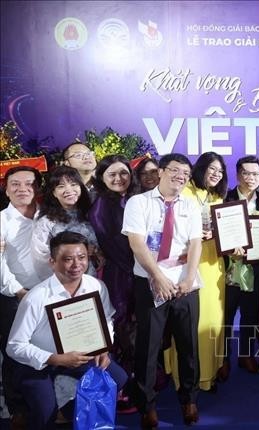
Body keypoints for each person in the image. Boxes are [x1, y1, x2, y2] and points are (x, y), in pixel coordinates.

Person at [6, 231, 127, 429]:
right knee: (45, 411)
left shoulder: (96, 286)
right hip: (39, 361)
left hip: (80, 354)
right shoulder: (36, 297)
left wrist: (103, 348)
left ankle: (66, 413)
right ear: (52, 262)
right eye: (67, 259)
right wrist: (55, 358)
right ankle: (45, 413)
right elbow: (14, 346)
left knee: (117, 378)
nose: (76, 264)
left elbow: (106, 320)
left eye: (82, 257)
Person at [122, 153, 203, 426]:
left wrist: (189, 278)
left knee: (188, 344)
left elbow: (195, 244)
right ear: (161, 172)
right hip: (149, 280)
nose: (181, 176)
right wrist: (157, 276)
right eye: (175, 171)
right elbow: (136, 243)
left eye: (186, 173)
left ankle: (189, 398)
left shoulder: (191, 205)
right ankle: (147, 404)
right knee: (149, 345)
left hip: (185, 281)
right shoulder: (138, 202)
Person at [163, 152, 228, 392]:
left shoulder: (217, 195)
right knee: (188, 323)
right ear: (199, 168)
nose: (215, 174)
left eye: (220, 171)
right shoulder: (183, 191)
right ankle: (185, 378)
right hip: (188, 265)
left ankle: (208, 375)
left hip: (213, 265)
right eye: (212, 168)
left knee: (212, 320)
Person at [88, 155, 138, 410]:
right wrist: (143, 268)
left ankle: (132, 380)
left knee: (134, 329)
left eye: (124, 173)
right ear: (102, 178)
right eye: (112, 175)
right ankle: (118, 388)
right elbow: (114, 245)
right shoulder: (101, 206)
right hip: (120, 276)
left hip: (136, 273)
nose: (119, 179)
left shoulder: (133, 199)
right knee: (119, 329)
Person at [221, 156, 259, 377]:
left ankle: (246, 355)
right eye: (246, 173)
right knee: (226, 315)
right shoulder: (224, 197)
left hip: (256, 268)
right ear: (238, 175)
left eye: (255, 174)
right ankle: (222, 359)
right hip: (229, 269)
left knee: (251, 314)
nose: (251, 178)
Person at [0, 166, 42, 427]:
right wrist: (18, 291)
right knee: (15, 352)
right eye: (15, 184)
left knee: (48, 350)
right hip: (15, 295)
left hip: (49, 294)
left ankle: (50, 403)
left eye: (29, 183)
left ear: (37, 188)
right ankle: (17, 408)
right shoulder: (1, 220)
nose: (22, 189)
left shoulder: (48, 215)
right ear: (6, 189)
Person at [31, 166, 100, 282]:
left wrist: (97, 252)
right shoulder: (47, 221)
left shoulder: (92, 213)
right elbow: (41, 256)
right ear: (54, 192)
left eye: (73, 184)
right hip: (64, 281)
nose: (69, 190)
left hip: (94, 278)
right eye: (61, 186)